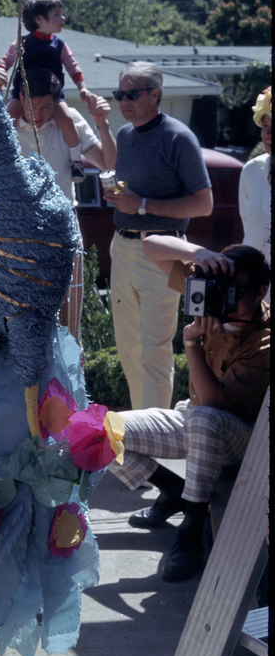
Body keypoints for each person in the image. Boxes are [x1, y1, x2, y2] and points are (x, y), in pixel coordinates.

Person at [109, 236, 270, 581]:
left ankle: (192, 531)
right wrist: (199, 253)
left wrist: (191, 342)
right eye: (220, 288)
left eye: (236, 292)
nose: (223, 300)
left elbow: (214, 402)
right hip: (192, 416)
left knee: (205, 416)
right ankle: (171, 490)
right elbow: (150, 246)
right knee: (100, 431)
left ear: (261, 292)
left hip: (241, 438)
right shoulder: (210, 292)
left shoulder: (265, 340)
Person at [107, 62, 213, 410]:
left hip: (163, 252)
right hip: (122, 245)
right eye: (120, 94)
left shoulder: (179, 137)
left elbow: (204, 204)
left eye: (132, 94)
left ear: (155, 94)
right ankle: (142, 429)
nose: (124, 101)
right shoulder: (125, 135)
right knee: (128, 348)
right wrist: (122, 198)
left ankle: (155, 435)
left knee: (154, 352)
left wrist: (142, 205)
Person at [14, 67, 117, 342]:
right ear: (21, 98)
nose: (38, 113)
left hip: (63, 226)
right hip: (18, 230)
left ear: (57, 104)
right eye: (32, 105)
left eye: (46, 107)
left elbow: (108, 163)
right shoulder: (7, 125)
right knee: (22, 320)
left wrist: (102, 123)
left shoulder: (70, 122)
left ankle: (70, 369)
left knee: (69, 320)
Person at [0, 0, 90, 181]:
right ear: (39, 19)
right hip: (22, 95)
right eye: (57, 14)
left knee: (68, 121)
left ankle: (76, 161)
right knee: (6, 121)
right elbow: (5, 60)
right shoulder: (22, 42)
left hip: (53, 97)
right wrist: (0, 72)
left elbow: (73, 67)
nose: (63, 18)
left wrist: (82, 88)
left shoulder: (59, 44)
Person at [238, 86, 271, 285]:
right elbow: (248, 230)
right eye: (264, 125)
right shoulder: (251, 169)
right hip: (256, 286)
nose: (268, 134)